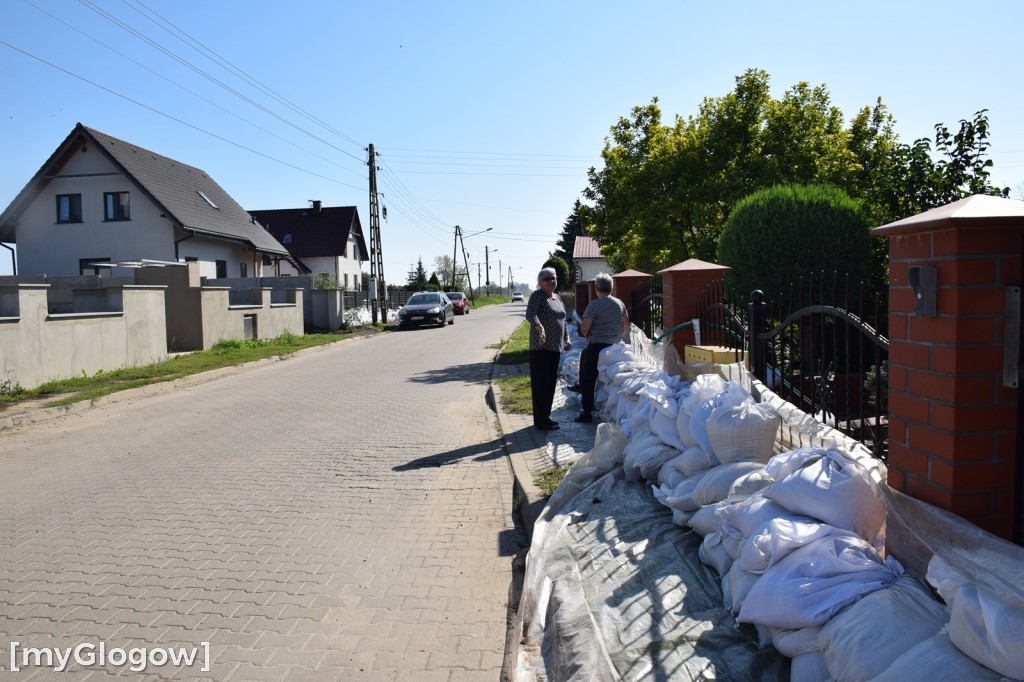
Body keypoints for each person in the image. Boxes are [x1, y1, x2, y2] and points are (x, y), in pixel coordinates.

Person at [576, 272, 629, 423]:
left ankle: (586, 412)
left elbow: (585, 327)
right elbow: (626, 325)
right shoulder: (620, 304)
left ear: (597, 289)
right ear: (612, 289)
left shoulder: (594, 305)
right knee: (585, 356)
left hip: (597, 347)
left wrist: (588, 337)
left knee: (588, 379)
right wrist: (616, 336)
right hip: (615, 347)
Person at [525, 267, 571, 430]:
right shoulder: (537, 296)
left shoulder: (557, 298)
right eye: (547, 279)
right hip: (540, 347)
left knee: (550, 384)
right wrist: (539, 327)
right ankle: (540, 420)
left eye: (554, 278)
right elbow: (530, 314)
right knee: (540, 384)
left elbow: (563, 319)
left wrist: (567, 337)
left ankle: (546, 417)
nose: (551, 281)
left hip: (555, 348)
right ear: (539, 282)